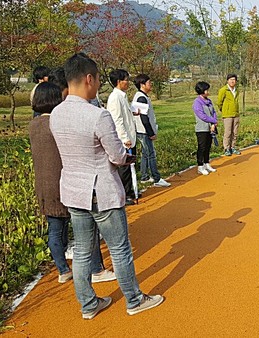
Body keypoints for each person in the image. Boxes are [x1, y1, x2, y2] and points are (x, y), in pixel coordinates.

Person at [50, 53, 163, 319]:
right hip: (101, 191)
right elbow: (116, 156)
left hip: (73, 191)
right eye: (98, 79)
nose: (98, 83)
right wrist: (127, 157)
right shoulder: (97, 115)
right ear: (89, 78)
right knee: (119, 248)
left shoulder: (56, 113)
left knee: (81, 250)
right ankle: (134, 300)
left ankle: (88, 305)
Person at [29, 82, 116, 285]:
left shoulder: (33, 124)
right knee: (86, 227)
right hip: (64, 180)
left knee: (55, 229)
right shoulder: (56, 122)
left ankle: (62, 269)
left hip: (43, 184)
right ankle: (96, 269)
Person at [132, 74, 170, 187]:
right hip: (144, 131)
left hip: (142, 130)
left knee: (145, 154)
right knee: (151, 154)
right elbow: (144, 117)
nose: (151, 84)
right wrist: (151, 133)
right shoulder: (141, 98)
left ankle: (144, 176)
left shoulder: (142, 96)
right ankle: (156, 178)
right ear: (142, 84)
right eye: (149, 82)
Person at [106, 69, 138, 205]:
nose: (128, 83)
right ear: (119, 82)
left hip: (130, 136)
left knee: (130, 166)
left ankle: (131, 191)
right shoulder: (115, 98)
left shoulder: (122, 96)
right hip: (124, 140)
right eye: (126, 80)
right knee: (124, 169)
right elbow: (116, 119)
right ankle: (124, 195)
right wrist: (124, 138)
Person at [192, 81, 218, 175]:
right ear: (202, 90)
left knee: (208, 146)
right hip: (201, 128)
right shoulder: (197, 102)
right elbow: (202, 116)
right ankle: (200, 166)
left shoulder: (209, 101)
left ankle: (207, 163)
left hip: (210, 127)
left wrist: (214, 123)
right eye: (207, 89)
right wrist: (213, 121)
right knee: (202, 147)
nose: (208, 91)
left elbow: (213, 112)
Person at [216, 73, 240, 156]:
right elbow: (219, 102)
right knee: (228, 132)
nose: (232, 81)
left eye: (234, 79)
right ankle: (226, 148)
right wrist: (223, 110)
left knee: (235, 132)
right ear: (227, 80)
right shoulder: (223, 90)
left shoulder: (236, 90)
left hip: (236, 114)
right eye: (231, 79)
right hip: (227, 114)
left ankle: (233, 147)